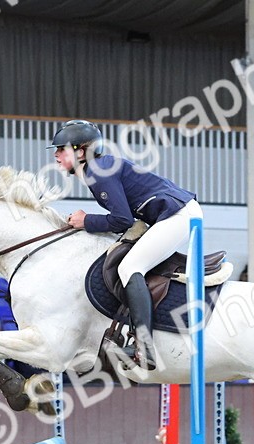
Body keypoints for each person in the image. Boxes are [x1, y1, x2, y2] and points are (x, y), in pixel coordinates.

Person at [52, 119, 199, 369]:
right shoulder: (98, 169)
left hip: (177, 216)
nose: (56, 154)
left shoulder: (98, 172)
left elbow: (121, 219)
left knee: (129, 268)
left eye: (61, 149)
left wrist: (86, 220)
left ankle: (145, 346)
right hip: (168, 215)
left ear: (81, 151)